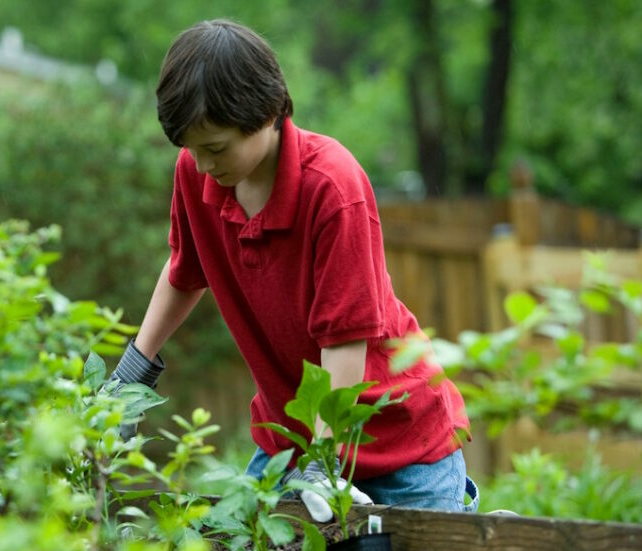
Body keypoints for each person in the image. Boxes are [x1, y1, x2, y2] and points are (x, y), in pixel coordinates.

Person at [110, 18, 478, 521]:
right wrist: (130, 379)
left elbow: (344, 341)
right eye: (190, 149)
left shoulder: (331, 186)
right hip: (293, 442)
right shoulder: (197, 174)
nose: (200, 165)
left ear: (265, 113)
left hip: (400, 446)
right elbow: (184, 270)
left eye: (215, 148)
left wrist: (325, 464)